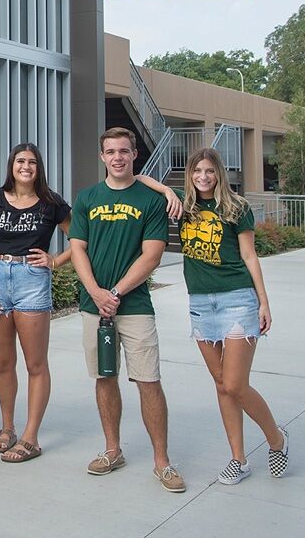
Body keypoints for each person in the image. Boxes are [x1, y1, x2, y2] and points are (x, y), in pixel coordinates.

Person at [69, 127, 185, 493]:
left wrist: (115, 292)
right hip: (93, 306)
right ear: (101, 156)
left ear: (134, 154)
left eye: (124, 150)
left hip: (134, 306)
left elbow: (152, 255)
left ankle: (162, 462)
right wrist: (95, 292)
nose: (117, 157)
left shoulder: (151, 200)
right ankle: (112, 450)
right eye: (110, 151)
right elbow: (77, 249)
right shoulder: (87, 198)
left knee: (148, 380)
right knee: (105, 377)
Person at [175, 147, 288, 483]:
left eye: (210, 171)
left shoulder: (235, 208)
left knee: (236, 384)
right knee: (222, 385)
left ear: (219, 173)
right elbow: (148, 182)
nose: (204, 177)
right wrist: (155, 185)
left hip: (237, 299)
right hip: (200, 302)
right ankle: (238, 459)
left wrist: (263, 303)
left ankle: (277, 440)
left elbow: (250, 256)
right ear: (190, 175)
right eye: (197, 172)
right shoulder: (185, 207)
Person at [0, 143, 72, 463]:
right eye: (20, 161)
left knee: (35, 364)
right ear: (11, 166)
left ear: (38, 167)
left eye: (32, 162)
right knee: (3, 363)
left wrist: (56, 260)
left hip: (32, 281)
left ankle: (31, 437)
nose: (26, 166)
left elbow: (82, 238)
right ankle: (7, 428)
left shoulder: (51, 202)